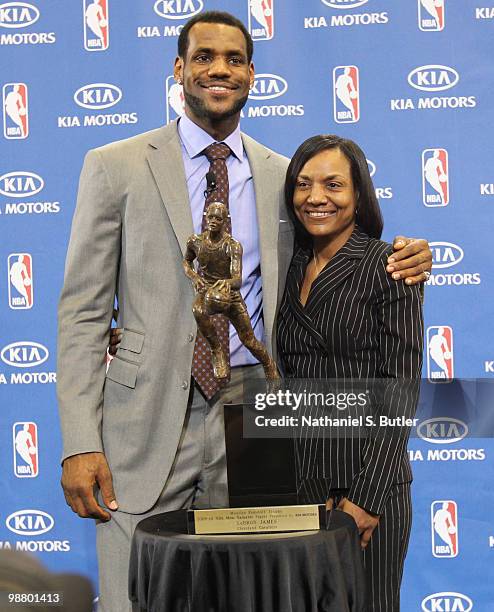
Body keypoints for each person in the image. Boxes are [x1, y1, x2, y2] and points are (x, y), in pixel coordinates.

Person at [58, 11, 432, 611]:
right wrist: (79, 441)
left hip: (257, 416)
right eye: (203, 57)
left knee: (249, 591)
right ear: (179, 69)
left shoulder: (283, 175)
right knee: (133, 596)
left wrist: (410, 253)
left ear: (252, 75)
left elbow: (336, 254)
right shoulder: (116, 165)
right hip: (144, 418)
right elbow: (82, 313)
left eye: (233, 59)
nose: (218, 69)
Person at [277, 134, 424, 611]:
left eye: (333, 184)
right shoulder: (287, 264)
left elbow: (398, 391)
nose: (316, 197)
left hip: (366, 487)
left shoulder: (389, 266)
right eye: (303, 184)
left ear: (358, 194)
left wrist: (366, 498)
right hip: (298, 491)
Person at [183, 202, 278, 380]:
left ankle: (268, 365)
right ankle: (217, 350)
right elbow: (186, 262)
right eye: (210, 217)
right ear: (205, 216)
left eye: (218, 218)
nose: (213, 221)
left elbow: (237, 279)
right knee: (198, 310)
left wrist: (226, 284)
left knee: (248, 339)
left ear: (225, 221)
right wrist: (195, 277)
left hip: (229, 293)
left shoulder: (232, 246)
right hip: (207, 290)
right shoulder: (195, 241)